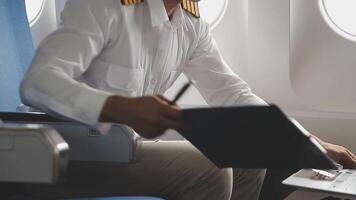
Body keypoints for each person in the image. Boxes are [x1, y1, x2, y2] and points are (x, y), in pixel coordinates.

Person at [20, 0, 356, 199]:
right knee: (209, 169)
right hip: (70, 153)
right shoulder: (102, 6)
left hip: (129, 149)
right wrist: (118, 107)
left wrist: (309, 142)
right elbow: (38, 82)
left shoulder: (191, 24)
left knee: (250, 157)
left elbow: (232, 93)